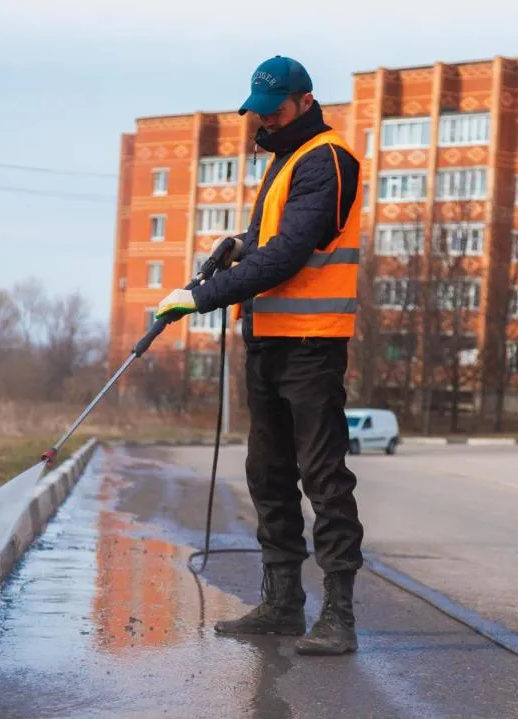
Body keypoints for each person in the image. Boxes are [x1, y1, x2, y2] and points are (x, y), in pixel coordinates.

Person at [154, 55, 364, 656]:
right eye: (258, 111)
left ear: (304, 101)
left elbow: (291, 254)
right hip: (268, 340)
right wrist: (238, 244)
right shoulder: (285, 162)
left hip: (312, 344)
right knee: (268, 475)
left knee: (323, 477)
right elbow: (271, 243)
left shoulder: (327, 159)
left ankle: (339, 615)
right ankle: (282, 604)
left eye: (274, 110)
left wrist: (201, 296)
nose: (265, 121)